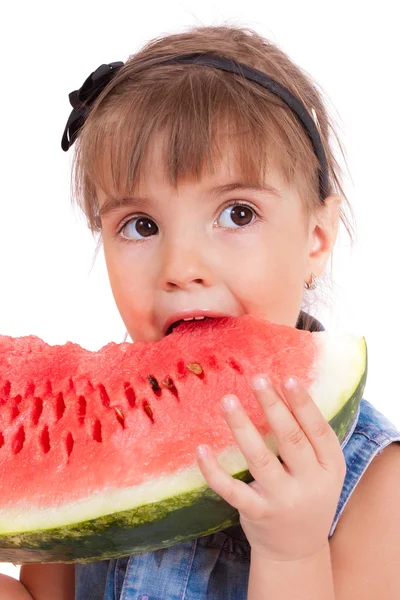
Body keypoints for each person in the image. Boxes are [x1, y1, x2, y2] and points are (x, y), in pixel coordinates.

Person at [2, 23, 400, 600]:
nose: (181, 265)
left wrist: (293, 551)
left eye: (238, 214)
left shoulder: (374, 480)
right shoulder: (88, 436)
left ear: (316, 236)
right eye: (140, 225)